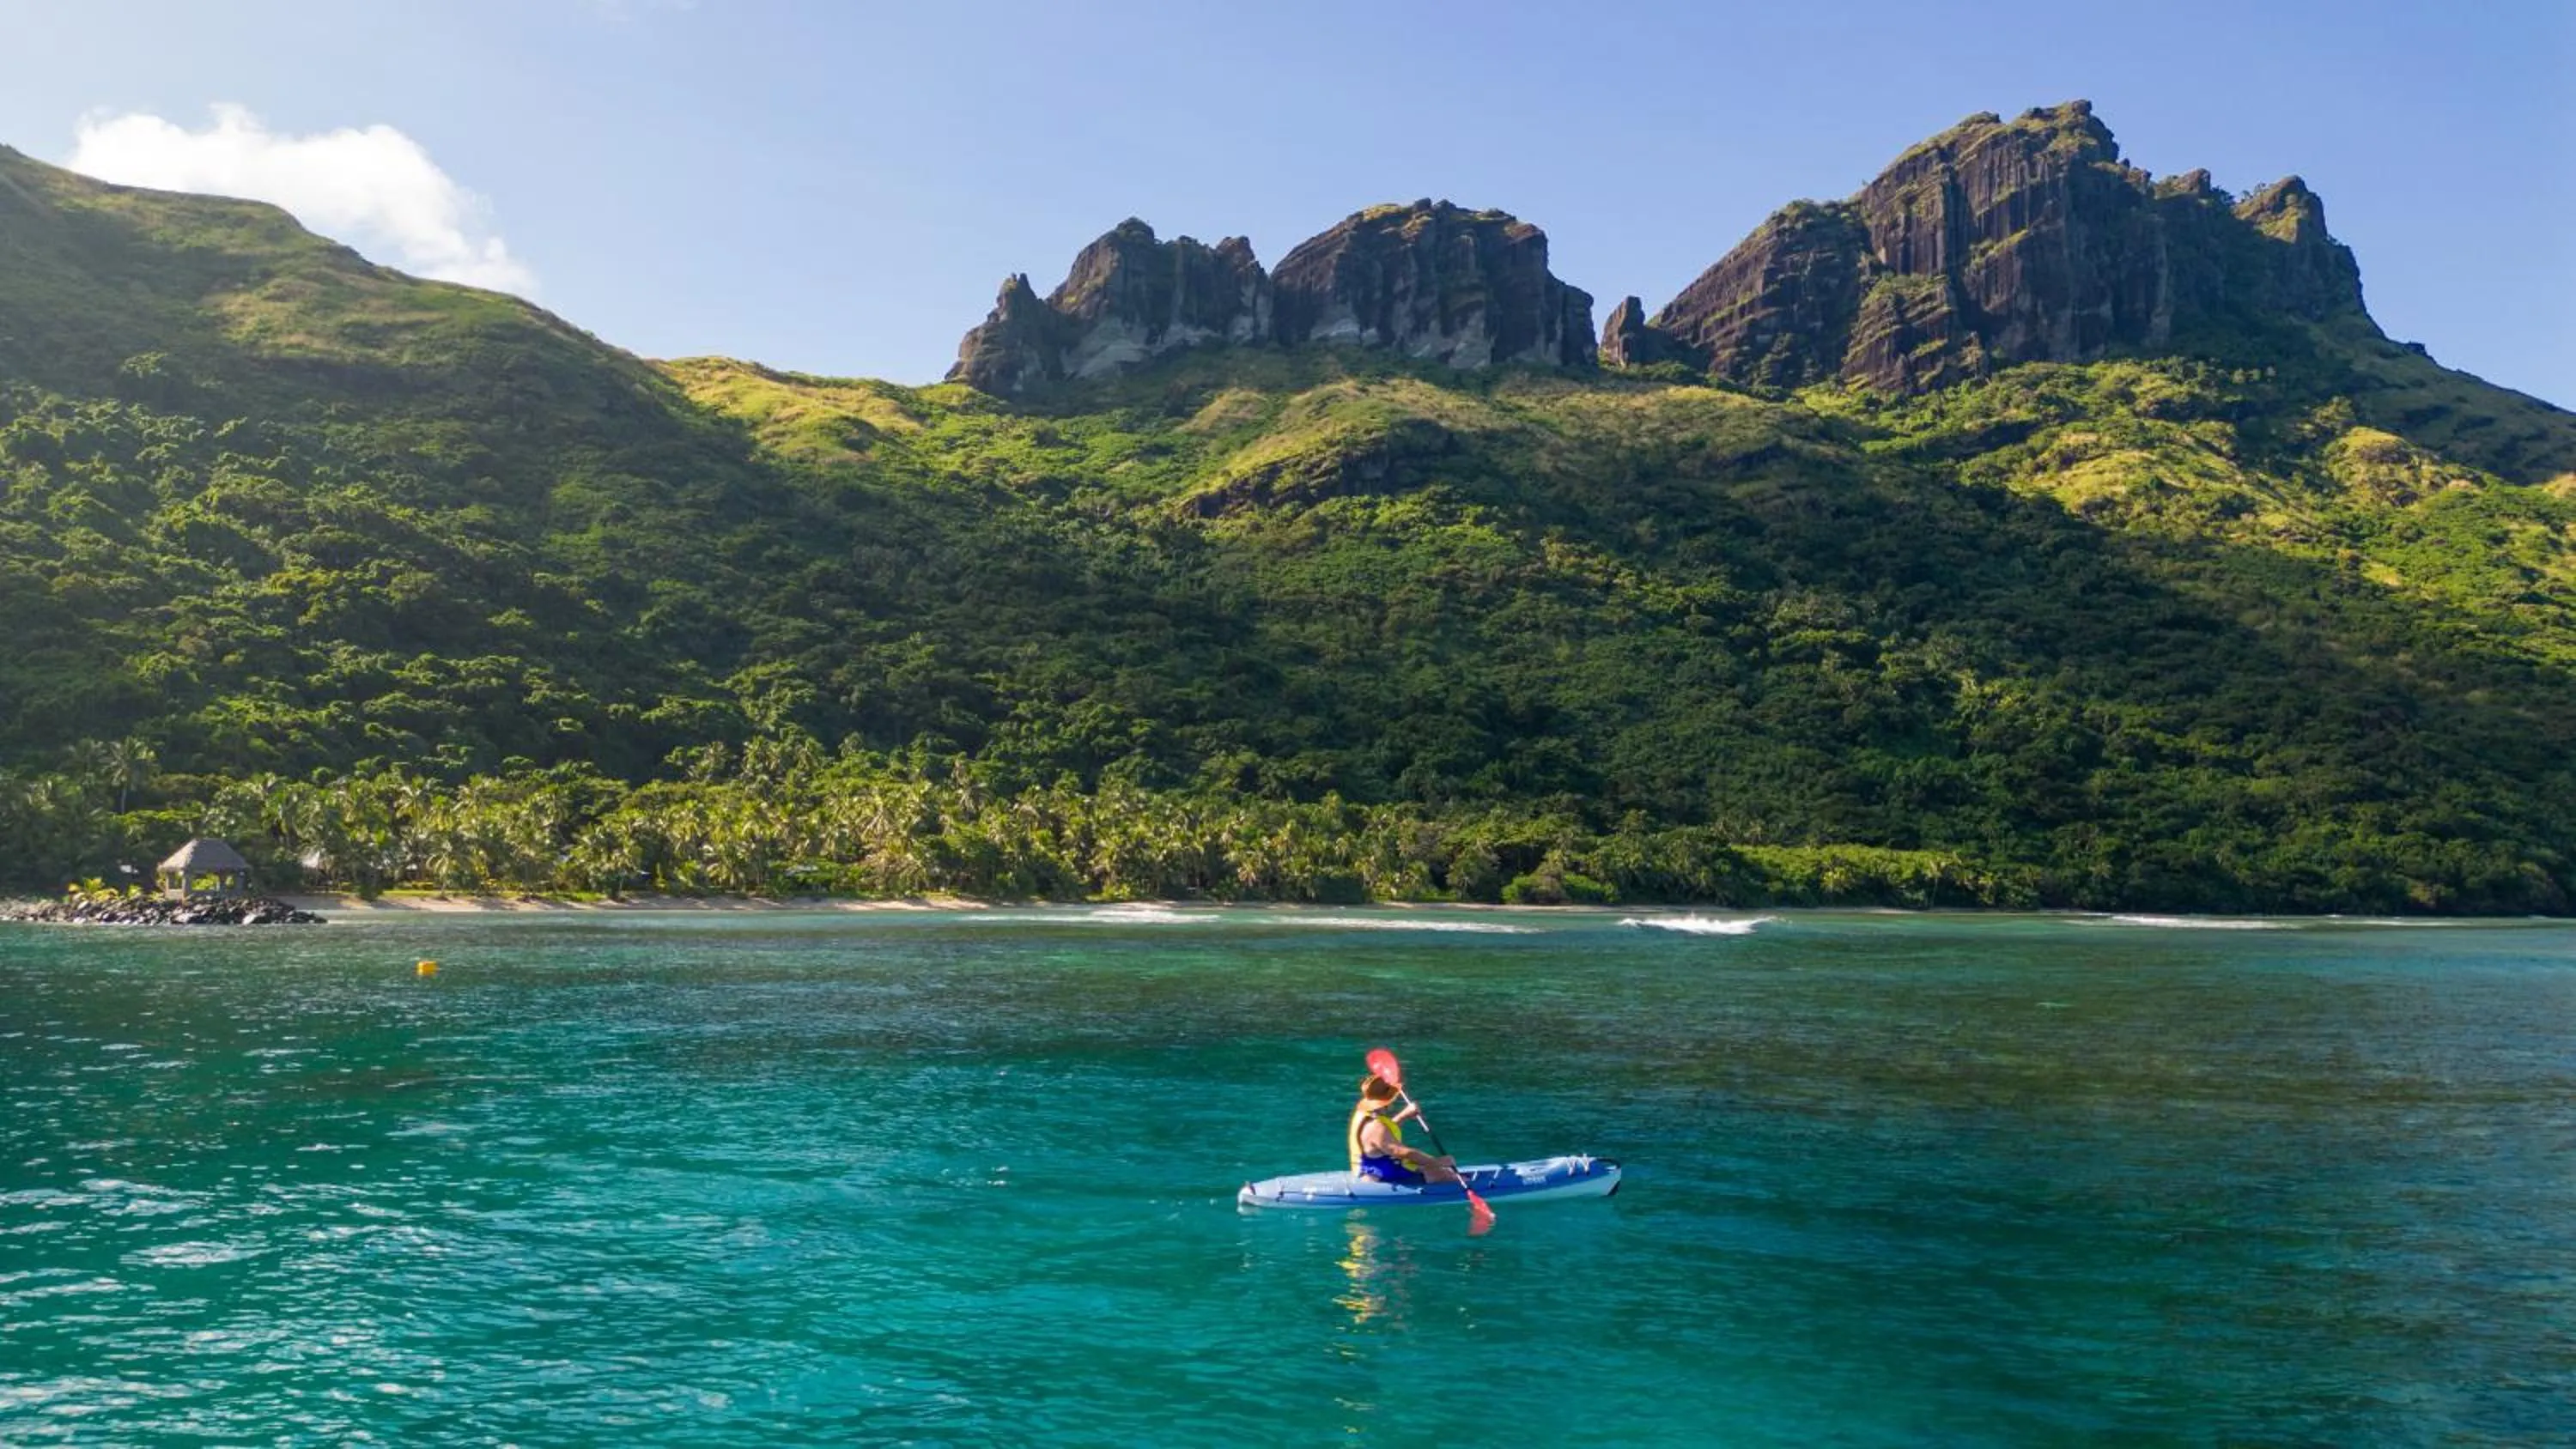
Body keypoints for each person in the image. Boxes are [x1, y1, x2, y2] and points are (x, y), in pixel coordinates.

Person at [1347, 1075, 1462, 1186]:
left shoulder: (1364, 1115)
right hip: (1379, 1174)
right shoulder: (1376, 1126)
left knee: (1424, 1166)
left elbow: (1383, 1136)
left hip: (1367, 1168)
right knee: (1439, 1173)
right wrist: (1437, 1162)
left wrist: (1404, 1115)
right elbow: (1403, 1152)